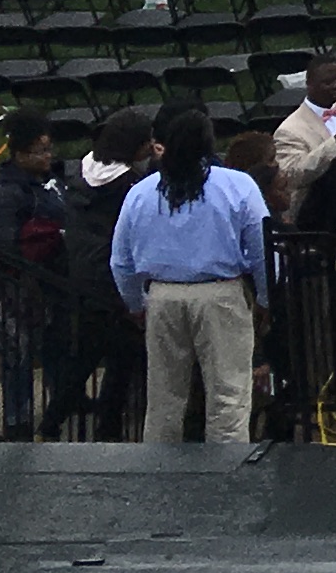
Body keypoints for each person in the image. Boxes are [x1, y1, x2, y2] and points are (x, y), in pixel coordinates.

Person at [110, 105, 271, 444]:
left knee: (164, 398)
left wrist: (136, 303)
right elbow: (261, 248)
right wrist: (267, 297)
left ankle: (159, 475)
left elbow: (121, 261)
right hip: (220, 295)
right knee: (228, 393)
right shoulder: (237, 185)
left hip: (163, 296)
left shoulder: (141, 192)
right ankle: (225, 478)